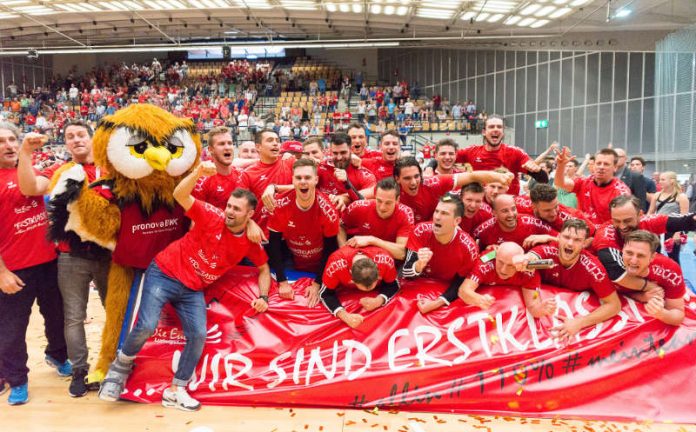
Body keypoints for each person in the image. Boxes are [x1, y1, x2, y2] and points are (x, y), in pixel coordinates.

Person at [98, 163, 271, 411]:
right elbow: (180, 195)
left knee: (198, 335)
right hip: (164, 273)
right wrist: (198, 172)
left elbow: (264, 268)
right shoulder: (212, 216)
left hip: (192, 289)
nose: (229, 212)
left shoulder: (250, 240)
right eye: (229, 206)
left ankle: (176, 389)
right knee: (146, 325)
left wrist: (264, 295)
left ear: (249, 214)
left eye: (236, 209)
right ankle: (120, 366)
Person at [17, 120, 109, 397]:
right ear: (65, 143)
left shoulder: (112, 169)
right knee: (73, 317)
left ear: (92, 138)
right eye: (70, 136)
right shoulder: (59, 170)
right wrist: (25, 153)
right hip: (72, 257)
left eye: (81, 134)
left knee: (114, 312)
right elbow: (30, 187)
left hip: (110, 255)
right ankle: (80, 370)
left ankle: (112, 365)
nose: (76, 139)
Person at [0, 122, 70, 406]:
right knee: (12, 329)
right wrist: (2, 272)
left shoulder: (33, 170)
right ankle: (17, 379)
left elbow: (34, 187)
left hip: (50, 263)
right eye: (2, 141)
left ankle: (57, 354)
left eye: (12, 140)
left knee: (57, 317)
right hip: (14, 270)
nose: (9, 145)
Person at [514, 219, 621, 340]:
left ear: (584, 243)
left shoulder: (594, 269)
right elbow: (531, 258)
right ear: (559, 237)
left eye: (577, 240)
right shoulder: (547, 251)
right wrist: (523, 260)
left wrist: (579, 323)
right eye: (566, 237)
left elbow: (614, 305)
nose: (570, 243)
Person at [266, 158, 340, 308]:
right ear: (293, 180)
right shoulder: (280, 204)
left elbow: (330, 249)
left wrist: (318, 282)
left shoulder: (328, 210)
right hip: (292, 262)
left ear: (316, 180)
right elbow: (274, 244)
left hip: (320, 263)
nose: (303, 181)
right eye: (298, 178)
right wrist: (282, 281)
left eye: (307, 177)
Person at [593, 195, 696, 291]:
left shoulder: (648, 221)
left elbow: (687, 221)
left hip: (640, 274)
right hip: (613, 281)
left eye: (628, 220)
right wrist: (651, 288)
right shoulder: (605, 233)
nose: (622, 226)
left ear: (640, 215)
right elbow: (615, 272)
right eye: (616, 221)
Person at [425, 115, 546, 195]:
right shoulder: (472, 151)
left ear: (503, 132)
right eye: (491, 127)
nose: (495, 129)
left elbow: (543, 179)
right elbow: (445, 157)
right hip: (481, 206)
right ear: (484, 132)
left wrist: (537, 170)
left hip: (507, 205)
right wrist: (430, 167)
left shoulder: (515, 153)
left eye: (499, 127)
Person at [401, 195, 480, 314]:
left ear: (457, 221)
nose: (437, 217)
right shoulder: (420, 231)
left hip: (445, 289)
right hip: (418, 284)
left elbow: (460, 283)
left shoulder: (469, 248)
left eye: (444, 213)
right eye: (436, 211)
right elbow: (405, 272)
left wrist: (436, 303)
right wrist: (418, 264)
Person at [394, 156, 513, 223]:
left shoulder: (433, 183)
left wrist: (499, 177)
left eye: (416, 176)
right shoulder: (389, 191)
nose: (414, 182)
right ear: (397, 179)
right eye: (407, 178)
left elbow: (471, 176)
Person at [449, 242, 543, 316]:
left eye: (510, 266)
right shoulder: (485, 263)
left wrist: (542, 309)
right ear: (496, 256)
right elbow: (463, 291)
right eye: (500, 262)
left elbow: (533, 307)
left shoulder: (528, 271)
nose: (503, 270)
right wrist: (478, 299)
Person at [320, 245, 399, 328]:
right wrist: (344, 316)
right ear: (352, 280)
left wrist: (379, 300)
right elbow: (325, 294)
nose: (367, 290)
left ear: (379, 275)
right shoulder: (335, 264)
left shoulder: (385, 260)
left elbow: (393, 284)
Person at [618, 230, 685, 326]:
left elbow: (678, 314)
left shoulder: (668, 270)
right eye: (629, 253)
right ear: (622, 250)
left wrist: (661, 313)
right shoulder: (610, 264)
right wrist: (640, 296)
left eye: (640, 255)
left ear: (652, 257)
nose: (633, 260)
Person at [339, 178, 414, 260]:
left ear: (397, 200)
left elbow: (402, 253)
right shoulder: (359, 206)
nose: (382, 207)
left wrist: (372, 240)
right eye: (379, 201)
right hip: (362, 259)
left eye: (388, 203)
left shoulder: (405, 213)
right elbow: (340, 226)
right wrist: (344, 250)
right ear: (375, 196)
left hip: (390, 261)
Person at [554, 147, 631, 224]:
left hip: (606, 233)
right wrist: (561, 166)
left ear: (615, 168)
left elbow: (622, 222)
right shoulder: (584, 182)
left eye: (606, 164)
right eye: (598, 163)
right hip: (583, 232)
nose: (601, 167)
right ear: (594, 165)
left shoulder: (621, 191)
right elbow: (560, 183)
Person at [238, 129, 294, 228]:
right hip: (262, 234)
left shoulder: (289, 162)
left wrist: (275, 187)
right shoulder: (248, 174)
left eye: (277, 140)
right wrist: (249, 225)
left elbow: (306, 186)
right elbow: (241, 207)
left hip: (289, 234)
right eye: (270, 140)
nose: (275, 143)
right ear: (258, 147)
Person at [472, 194, 556, 251]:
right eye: (505, 211)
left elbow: (561, 240)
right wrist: (489, 252)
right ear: (494, 213)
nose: (511, 214)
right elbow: (478, 259)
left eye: (513, 209)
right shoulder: (482, 231)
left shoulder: (533, 223)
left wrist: (548, 237)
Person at [317, 132, 376, 211]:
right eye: (335, 153)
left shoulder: (364, 174)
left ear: (351, 149)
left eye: (343, 152)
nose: (339, 157)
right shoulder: (321, 168)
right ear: (330, 151)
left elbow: (366, 201)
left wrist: (343, 196)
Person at [192, 126, 241, 210]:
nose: (227, 147)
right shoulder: (201, 181)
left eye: (230, 143)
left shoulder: (242, 175)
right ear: (211, 149)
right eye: (221, 144)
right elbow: (195, 220)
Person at [519, 183, 597, 236]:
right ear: (534, 207)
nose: (554, 213)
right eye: (547, 210)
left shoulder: (571, 217)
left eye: (556, 206)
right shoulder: (520, 204)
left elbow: (594, 235)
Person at [647, 171, 690, 264]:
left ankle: (676, 277)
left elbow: (684, 218)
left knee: (673, 257)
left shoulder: (681, 197)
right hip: (657, 229)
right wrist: (646, 227)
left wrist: (677, 233)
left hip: (672, 230)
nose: (659, 181)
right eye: (660, 179)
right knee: (655, 255)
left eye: (663, 179)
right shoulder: (657, 195)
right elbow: (650, 212)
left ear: (672, 181)